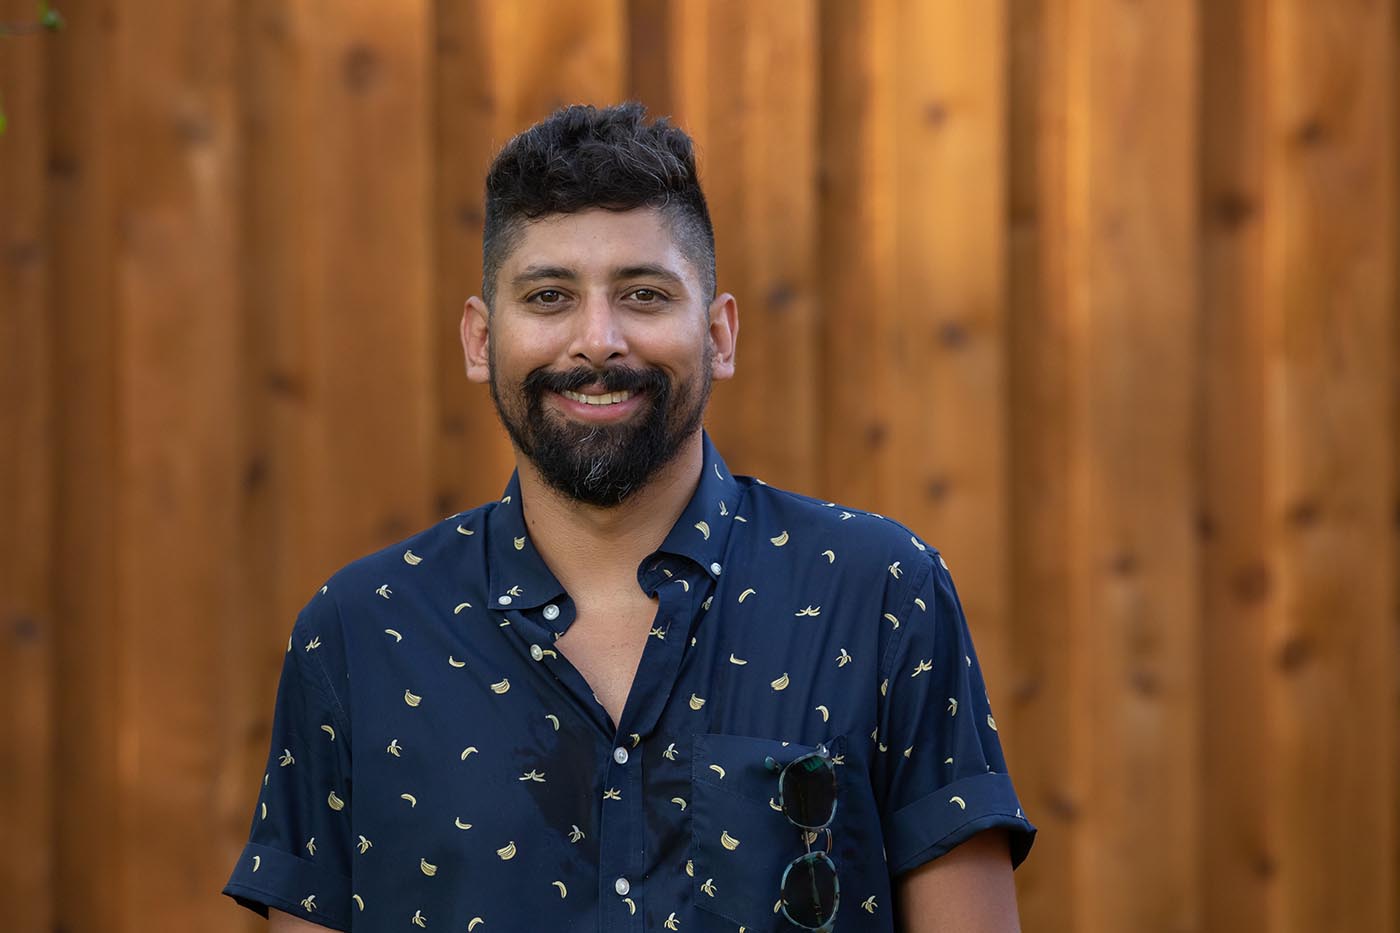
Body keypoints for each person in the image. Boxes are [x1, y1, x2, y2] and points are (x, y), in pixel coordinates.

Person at [224, 102, 1035, 932]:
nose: (598, 340)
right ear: (480, 340)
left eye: (644, 294)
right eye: (548, 296)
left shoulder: (878, 595)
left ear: (718, 334)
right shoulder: (360, 635)